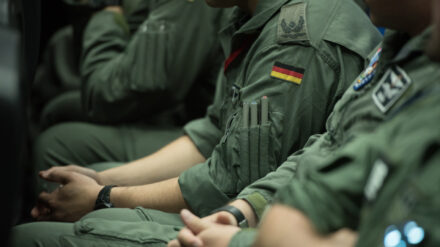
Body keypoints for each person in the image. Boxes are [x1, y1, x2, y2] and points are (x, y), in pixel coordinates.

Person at [11, 0, 381, 245]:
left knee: (28, 238)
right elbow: (215, 130)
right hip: (245, 196)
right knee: (80, 166)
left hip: (242, 209)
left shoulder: (295, 43)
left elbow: (231, 180)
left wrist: (104, 199)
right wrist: (104, 182)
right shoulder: (249, 12)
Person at [167, 0, 440, 246]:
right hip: (275, 215)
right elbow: (330, 148)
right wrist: (242, 211)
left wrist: (240, 237)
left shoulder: (301, 36)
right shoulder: (399, 46)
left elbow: (228, 178)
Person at [32, 0, 227, 192]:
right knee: (60, 106)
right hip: (198, 116)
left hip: (209, 133)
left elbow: (107, 97)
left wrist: (105, 11)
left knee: (55, 143)